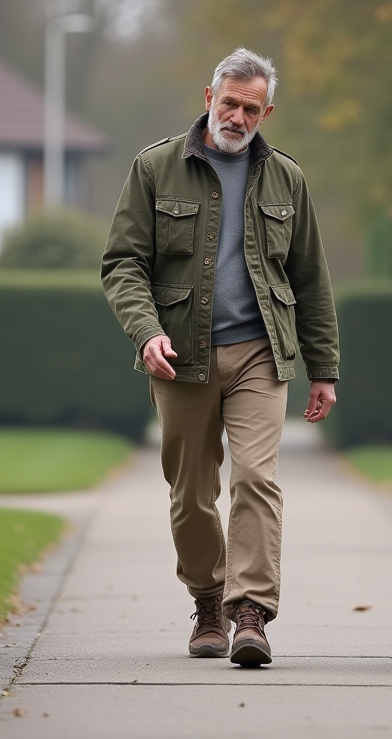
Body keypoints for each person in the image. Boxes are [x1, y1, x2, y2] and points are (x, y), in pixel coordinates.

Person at [101, 47, 339, 668]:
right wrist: (146, 332)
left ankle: (250, 612)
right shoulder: (155, 167)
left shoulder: (287, 178)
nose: (238, 117)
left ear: (267, 112)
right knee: (191, 492)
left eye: (251, 109)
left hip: (261, 352)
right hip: (181, 356)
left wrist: (324, 368)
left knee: (256, 478)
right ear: (209, 98)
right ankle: (207, 600)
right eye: (229, 103)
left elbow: (311, 279)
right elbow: (123, 263)